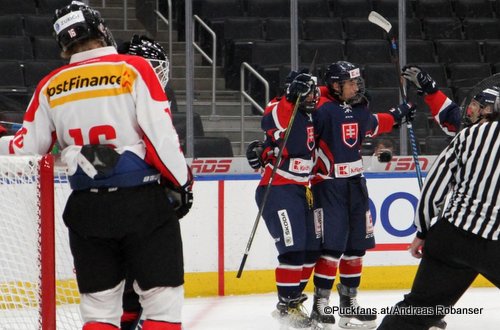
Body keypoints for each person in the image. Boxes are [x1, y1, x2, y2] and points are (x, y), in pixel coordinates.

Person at [0, 2, 193, 330]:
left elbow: (25, 151)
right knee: (162, 303)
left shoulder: (51, 84)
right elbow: (162, 140)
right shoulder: (133, 69)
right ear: (101, 30)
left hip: (87, 210)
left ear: (63, 44)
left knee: (99, 310)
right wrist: (182, 182)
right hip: (142, 204)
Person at [377, 85, 500, 330]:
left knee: (416, 311)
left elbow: (434, 186)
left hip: (451, 237)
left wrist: (422, 231)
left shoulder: (469, 135)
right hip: (494, 242)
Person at [309, 61, 416, 329]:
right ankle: (320, 305)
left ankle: (349, 304)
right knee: (332, 247)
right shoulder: (319, 109)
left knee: (356, 246)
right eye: (351, 82)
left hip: (356, 183)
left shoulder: (358, 107)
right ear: (335, 85)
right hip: (329, 185)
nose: (357, 86)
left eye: (357, 81)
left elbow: (374, 124)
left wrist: (399, 114)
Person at [250, 72, 322, 328]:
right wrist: (292, 96)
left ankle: (291, 299)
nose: (315, 96)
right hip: (278, 188)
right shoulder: (280, 107)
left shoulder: (309, 112)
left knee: (312, 252)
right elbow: (274, 117)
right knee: (292, 251)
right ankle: (288, 305)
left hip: (304, 189)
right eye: (309, 91)